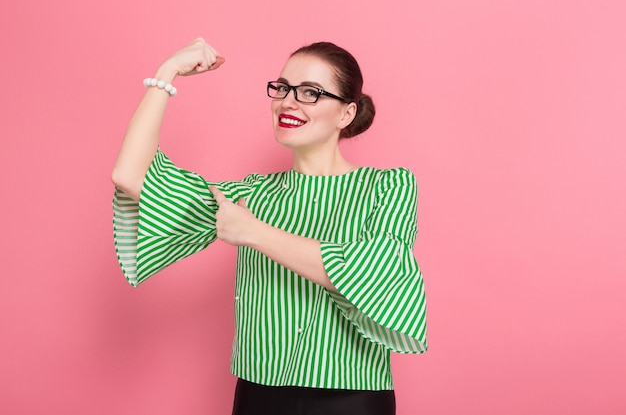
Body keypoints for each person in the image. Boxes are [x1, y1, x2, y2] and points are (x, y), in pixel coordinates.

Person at [112, 38, 427, 415]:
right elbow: (131, 176)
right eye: (282, 88)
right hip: (257, 394)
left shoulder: (388, 186)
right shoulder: (251, 196)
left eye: (310, 92)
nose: (287, 102)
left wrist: (253, 233)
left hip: (352, 398)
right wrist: (168, 72)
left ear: (346, 114)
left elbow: (376, 274)